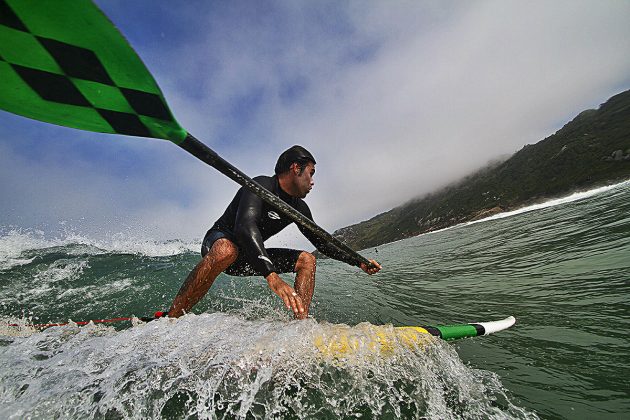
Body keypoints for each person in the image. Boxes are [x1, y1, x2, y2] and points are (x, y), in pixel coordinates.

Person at [168, 145, 381, 319]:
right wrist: (272, 276)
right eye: (311, 173)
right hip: (219, 244)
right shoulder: (261, 185)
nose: (313, 181)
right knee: (226, 250)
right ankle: (171, 317)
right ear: (296, 168)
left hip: (248, 258)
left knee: (307, 260)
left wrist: (358, 262)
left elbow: (322, 243)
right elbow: (245, 227)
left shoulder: (298, 208)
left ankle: (300, 325)